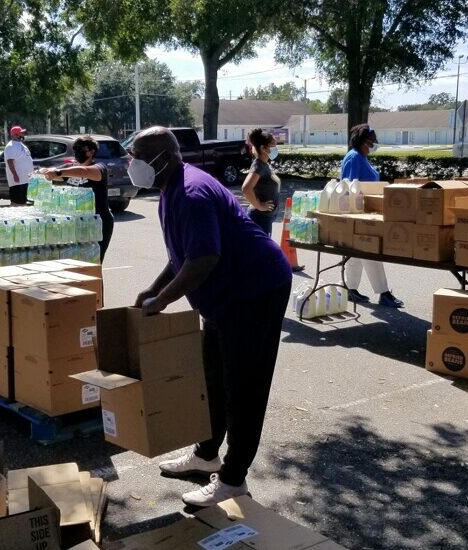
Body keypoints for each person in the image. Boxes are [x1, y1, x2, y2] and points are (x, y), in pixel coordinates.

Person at [130, 127, 292, 507]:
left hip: (255, 291)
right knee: (213, 377)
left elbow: (203, 259)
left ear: (163, 157)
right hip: (224, 297)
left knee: (244, 387)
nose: (131, 163)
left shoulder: (191, 192)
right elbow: (182, 255)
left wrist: (163, 300)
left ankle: (233, 479)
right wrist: (154, 289)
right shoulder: (171, 188)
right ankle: (207, 456)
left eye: (137, 155)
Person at [341, 124, 404, 308]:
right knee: (370, 251)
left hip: (364, 212)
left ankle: (350, 289)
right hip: (359, 213)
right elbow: (349, 187)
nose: (375, 144)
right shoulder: (354, 158)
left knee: (356, 253)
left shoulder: (361, 157)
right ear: (363, 142)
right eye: (372, 141)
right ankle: (384, 293)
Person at [40, 136, 115, 262]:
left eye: (81, 149)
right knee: (80, 263)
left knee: (94, 263)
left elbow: (83, 171)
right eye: (75, 149)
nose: (77, 152)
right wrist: (45, 172)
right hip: (79, 222)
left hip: (99, 222)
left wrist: (59, 172)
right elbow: (56, 174)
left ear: (91, 152)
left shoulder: (99, 168)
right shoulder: (71, 170)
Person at [240, 128, 281, 236]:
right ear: (263, 148)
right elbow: (246, 188)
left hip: (266, 218)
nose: (276, 148)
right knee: (261, 252)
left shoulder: (265, 164)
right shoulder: (258, 165)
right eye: (273, 145)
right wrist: (259, 206)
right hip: (260, 218)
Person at [3, 125, 34, 206]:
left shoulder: (21, 144)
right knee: (17, 203)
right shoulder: (10, 146)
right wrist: (15, 175)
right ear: (15, 135)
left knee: (23, 202)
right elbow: (10, 162)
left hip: (26, 179)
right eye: (21, 133)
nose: (23, 135)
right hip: (18, 181)